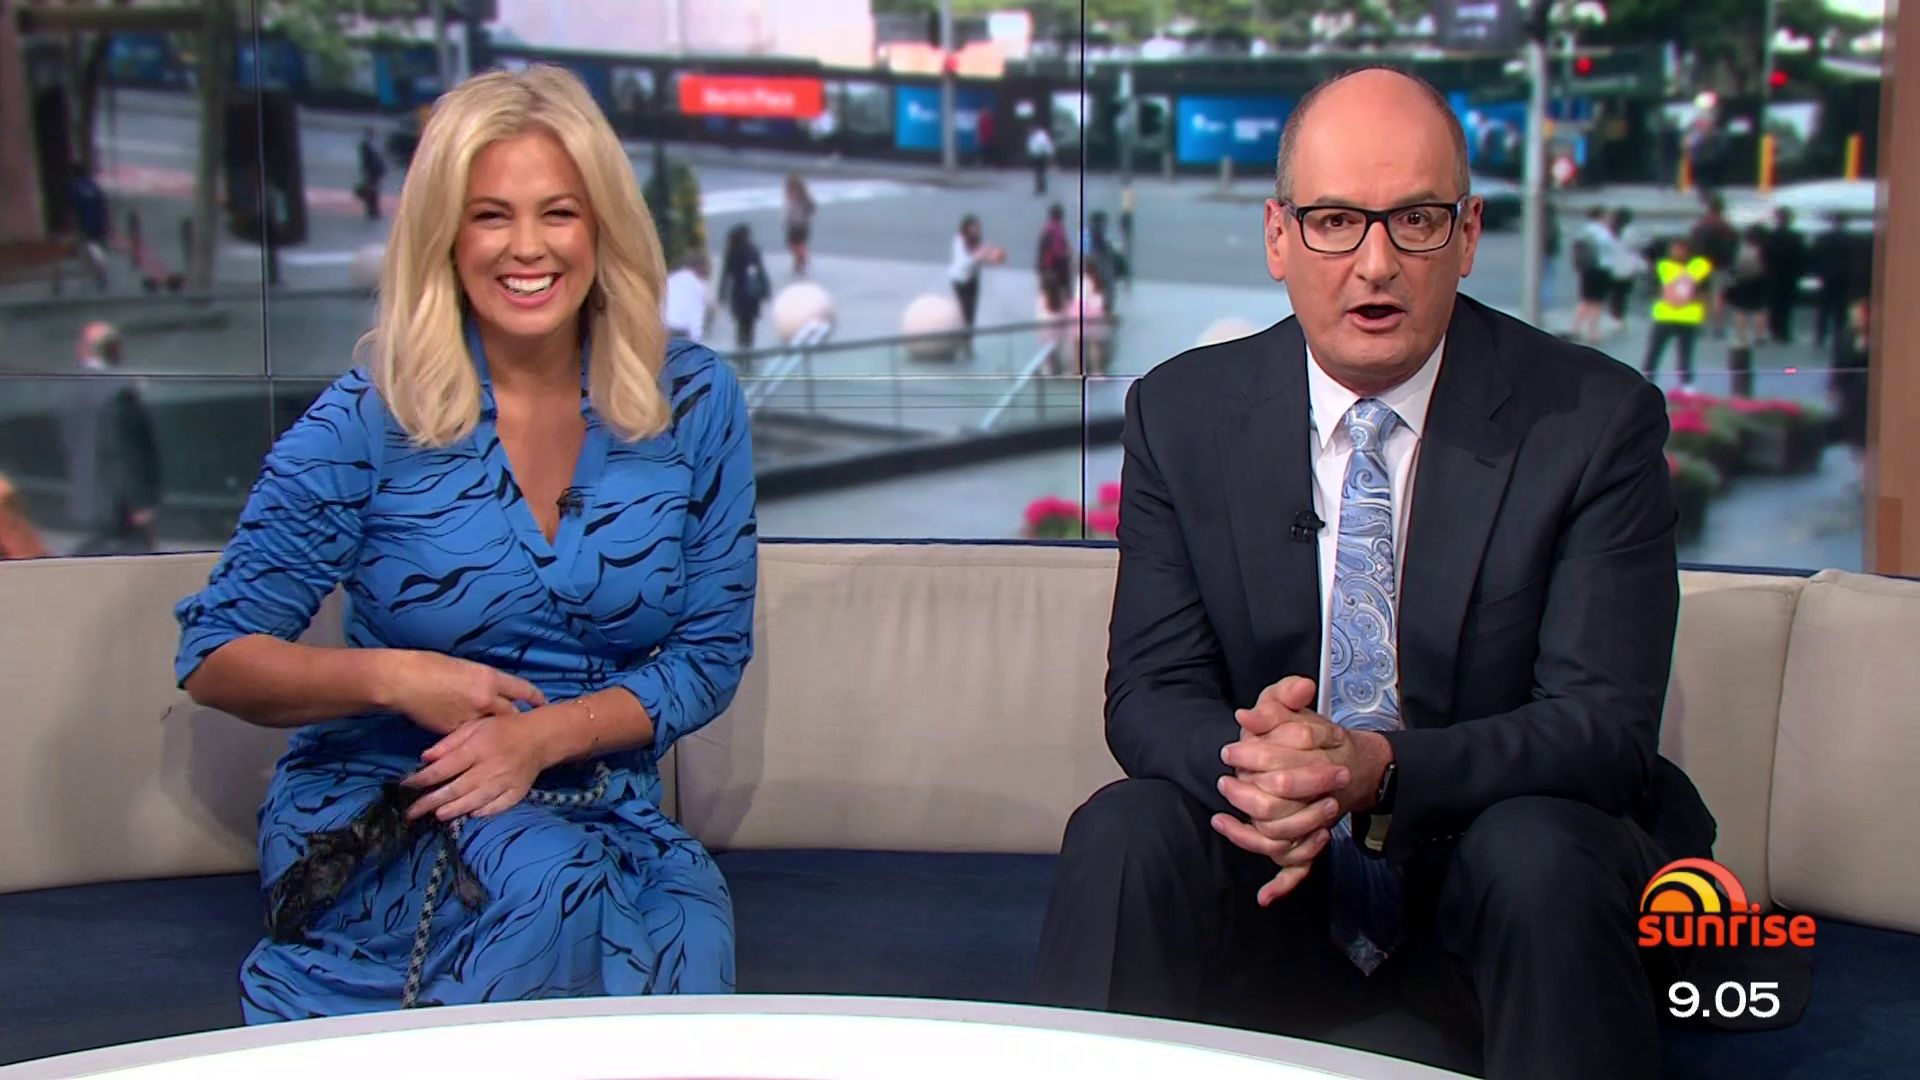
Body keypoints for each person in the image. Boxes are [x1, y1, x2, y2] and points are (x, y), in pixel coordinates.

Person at [1032, 68, 1710, 1080]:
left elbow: (1603, 733)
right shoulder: (1181, 415)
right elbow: (1149, 695)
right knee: (1125, 832)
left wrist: (1378, 770)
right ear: (1278, 237)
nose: (1377, 263)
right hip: (1275, 876)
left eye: (1417, 221)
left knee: (1539, 858)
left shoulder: (1591, 421)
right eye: (1336, 221)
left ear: (1468, 235)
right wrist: (1279, 774)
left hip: (1493, 881)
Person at [172, 65, 756, 1021]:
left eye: (558, 212)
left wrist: (544, 737)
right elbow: (216, 656)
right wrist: (395, 678)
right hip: (401, 799)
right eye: (491, 216)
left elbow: (710, 654)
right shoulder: (370, 418)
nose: (527, 247)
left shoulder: (691, 398)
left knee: (687, 925)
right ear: (445, 235)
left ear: (603, 225)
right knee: (552, 895)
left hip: (599, 803)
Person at [60, 321, 161, 555]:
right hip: (118, 505)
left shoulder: (68, 389)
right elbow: (126, 450)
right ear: (115, 349)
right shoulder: (120, 392)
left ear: (83, 349)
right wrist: (139, 502)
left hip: (82, 497)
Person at [1645, 237, 1711, 390]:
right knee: (1654, 352)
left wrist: (1690, 299)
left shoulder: (1699, 268)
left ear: (1688, 251)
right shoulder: (1662, 267)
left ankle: (1687, 385)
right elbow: (1653, 289)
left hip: (1688, 317)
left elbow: (1705, 292)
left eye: (1681, 249)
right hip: (1664, 316)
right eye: (1674, 249)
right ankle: (1647, 381)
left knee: (1685, 354)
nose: (1677, 252)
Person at [948, 214, 1004, 355]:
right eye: (974, 227)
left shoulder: (977, 242)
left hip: (973, 279)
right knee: (963, 311)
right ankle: (960, 340)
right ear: (966, 228)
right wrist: (980, 255)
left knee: (971, 312)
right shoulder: (959, 241)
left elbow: (979, 260)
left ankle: (968, 342)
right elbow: (965, 263)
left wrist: (993, 258)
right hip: (960, 280)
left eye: (978, 227)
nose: (977, 230)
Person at [718, 224, 771, 356]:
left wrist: (721, 294)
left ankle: (741, 350)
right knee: (750, 323)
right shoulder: (752, 250)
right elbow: (760, 271)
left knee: (740, 323)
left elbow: (725, 275)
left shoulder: (731, 252)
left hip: (738, 292)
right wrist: (766, 289)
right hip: (751, 291)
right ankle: (748, 348)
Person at [783, 174, 815, 277]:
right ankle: (800, 261)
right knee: (792, 245)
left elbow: (812, 208)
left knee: (798, 244)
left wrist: (804, 215)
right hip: (792, 224)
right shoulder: (789, 195)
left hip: (801, 225)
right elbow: (788, 210)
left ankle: (800, 262)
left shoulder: (803, 198)